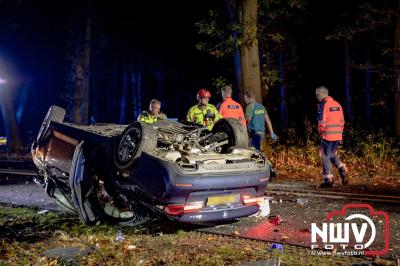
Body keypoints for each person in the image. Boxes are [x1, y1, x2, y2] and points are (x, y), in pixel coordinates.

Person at [316, 86, 348, 188]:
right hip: (338, 135)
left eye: (317, 95)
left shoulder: (323, 105)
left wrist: (321, 132)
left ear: (322, 94)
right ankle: (342, 169)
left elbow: (322, 121)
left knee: (325, 156)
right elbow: (342, 121)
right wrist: (340, 133)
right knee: (331, 154)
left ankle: (328, 180)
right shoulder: (337, 104)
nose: (317, 97)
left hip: (327, 135)